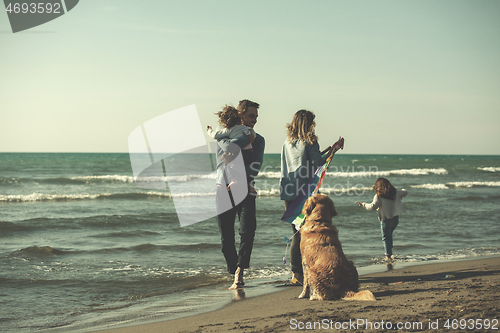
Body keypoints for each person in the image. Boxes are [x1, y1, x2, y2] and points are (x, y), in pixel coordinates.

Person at [279, 109, 340, 285]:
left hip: (287, 190)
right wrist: (333, 150)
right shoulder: (311, 141)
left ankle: (296, 273)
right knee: (303, 233)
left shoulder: (287, 142)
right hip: (304, 191)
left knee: (296, 232)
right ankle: (301, 272)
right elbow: (317, 163)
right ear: (309, 123)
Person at [214, 99, 265, 290]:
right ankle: (233, 267)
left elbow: (255, 166)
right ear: (240, 115)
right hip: (223, 188)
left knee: (247, 231)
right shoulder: (224, 137)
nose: (254, 120)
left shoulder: (258, 140)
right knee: (226, 239)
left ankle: (239, 272)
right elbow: (221, 161)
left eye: (256, 117)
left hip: (246, 189)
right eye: (251, 116)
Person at [355, 177, 408, 261]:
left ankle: (388, 256)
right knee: (389, 236)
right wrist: (400, 194)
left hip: (385, 221)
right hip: (395, 220)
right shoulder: (395, 192)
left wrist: (363, 205)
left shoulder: (378, 196)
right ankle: (389, 252)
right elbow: (405, 192)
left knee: (386, 237)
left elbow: (372, 207)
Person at [207, 105, 256, 192]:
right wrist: (250, 138)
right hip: (249, 152)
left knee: (228, 163)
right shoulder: (244, 128)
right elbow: (252, 134)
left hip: (237, 153)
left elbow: (215, 135)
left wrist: (209, 130)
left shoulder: (228, 130)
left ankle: (233, 179)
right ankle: (250, 184)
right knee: (246, 168)